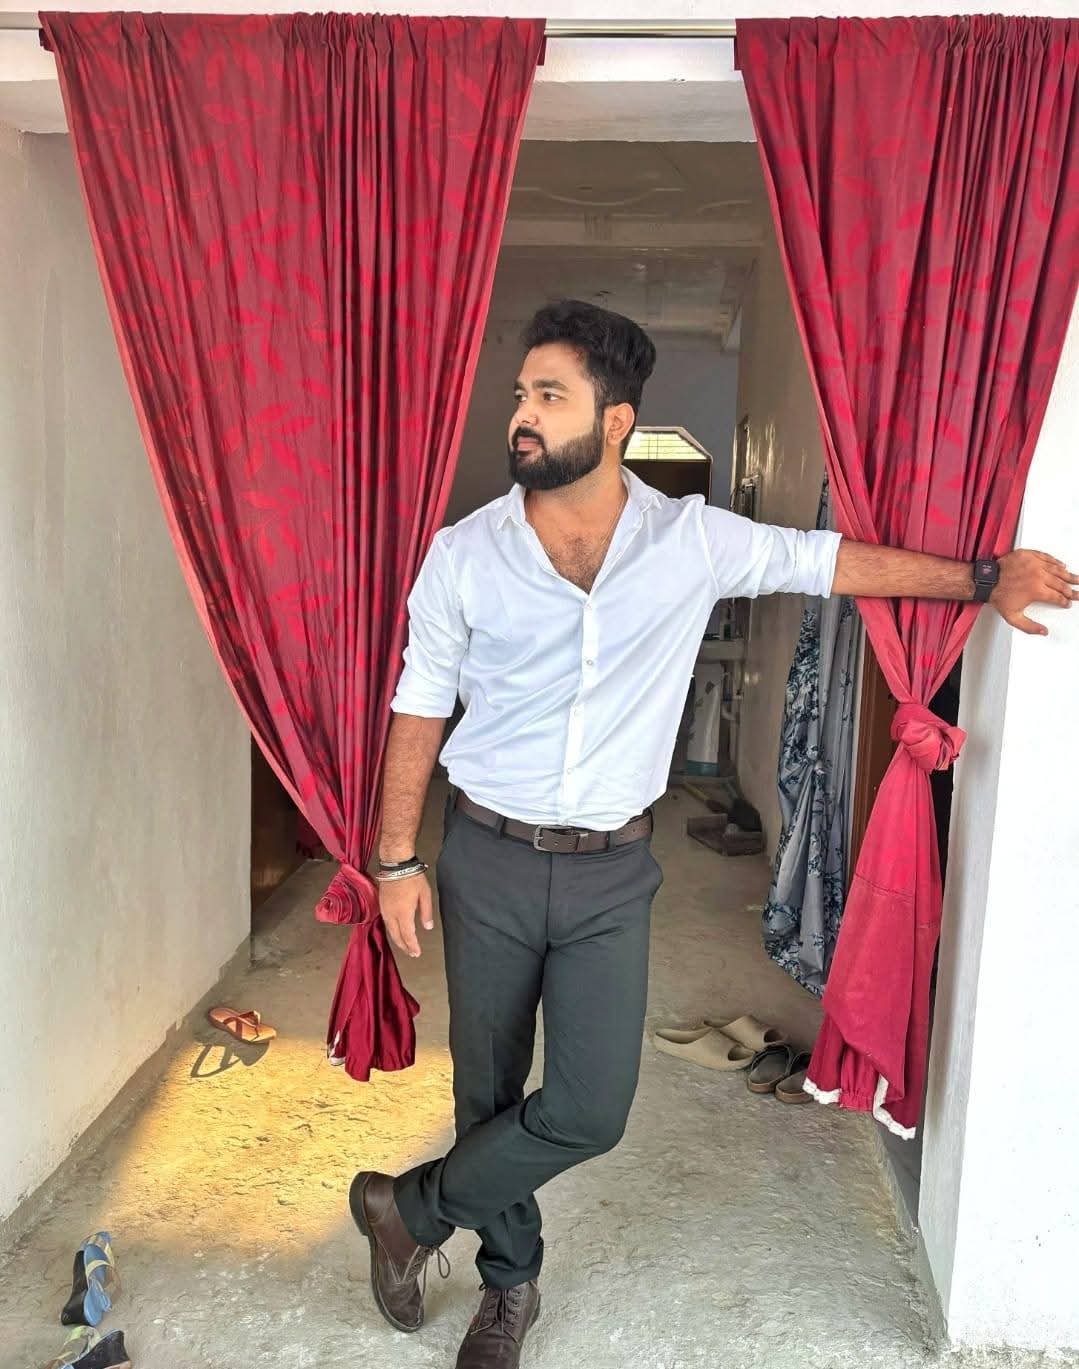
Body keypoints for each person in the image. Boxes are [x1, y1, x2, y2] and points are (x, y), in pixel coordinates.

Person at [349, 300, 1076, 1368]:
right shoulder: (464, 554)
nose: (522, 414)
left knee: (589, 1107)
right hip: (486, 856)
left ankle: (407, 1209)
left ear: (615, 420)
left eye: (549, 395)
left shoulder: (690, 540)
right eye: (520, 394)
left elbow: (829, 561)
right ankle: (509, 1284)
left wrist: (980, 578)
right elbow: (419, 703)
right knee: (487, 1089)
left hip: (610, 872)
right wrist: (395, 858)